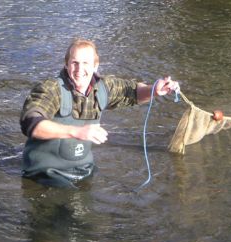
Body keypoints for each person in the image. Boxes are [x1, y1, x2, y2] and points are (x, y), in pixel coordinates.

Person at [20, 39, 179, 188]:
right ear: (66, 65)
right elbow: (31, 123)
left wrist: (155, 90)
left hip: (83, 169)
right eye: (74, 63)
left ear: (96, 66)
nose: (79, 69)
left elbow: (133, 92)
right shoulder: (50, 89)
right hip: (45, 173)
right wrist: (77, 132)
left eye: (85, 63)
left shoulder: (104, 87)